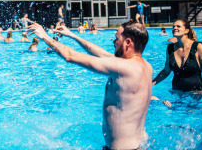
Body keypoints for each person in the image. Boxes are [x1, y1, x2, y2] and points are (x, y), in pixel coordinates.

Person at [27, 22, 152, 150]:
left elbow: (70, 56)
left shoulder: (124, 68)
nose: (113, 41)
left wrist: (44, 36)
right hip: (139, 145)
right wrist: (72, 36)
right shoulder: (146, 66)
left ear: (128, 43)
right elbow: (101, 53)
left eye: (117, 38)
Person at [152, 19, 202, 97]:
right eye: (173, 26)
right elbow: (166, 71)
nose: (174, 28)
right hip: (177, 94)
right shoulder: (170, 48)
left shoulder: (198, 47)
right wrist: (151, 84)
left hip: (197, 95)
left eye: (178, 26)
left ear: (187, 31)